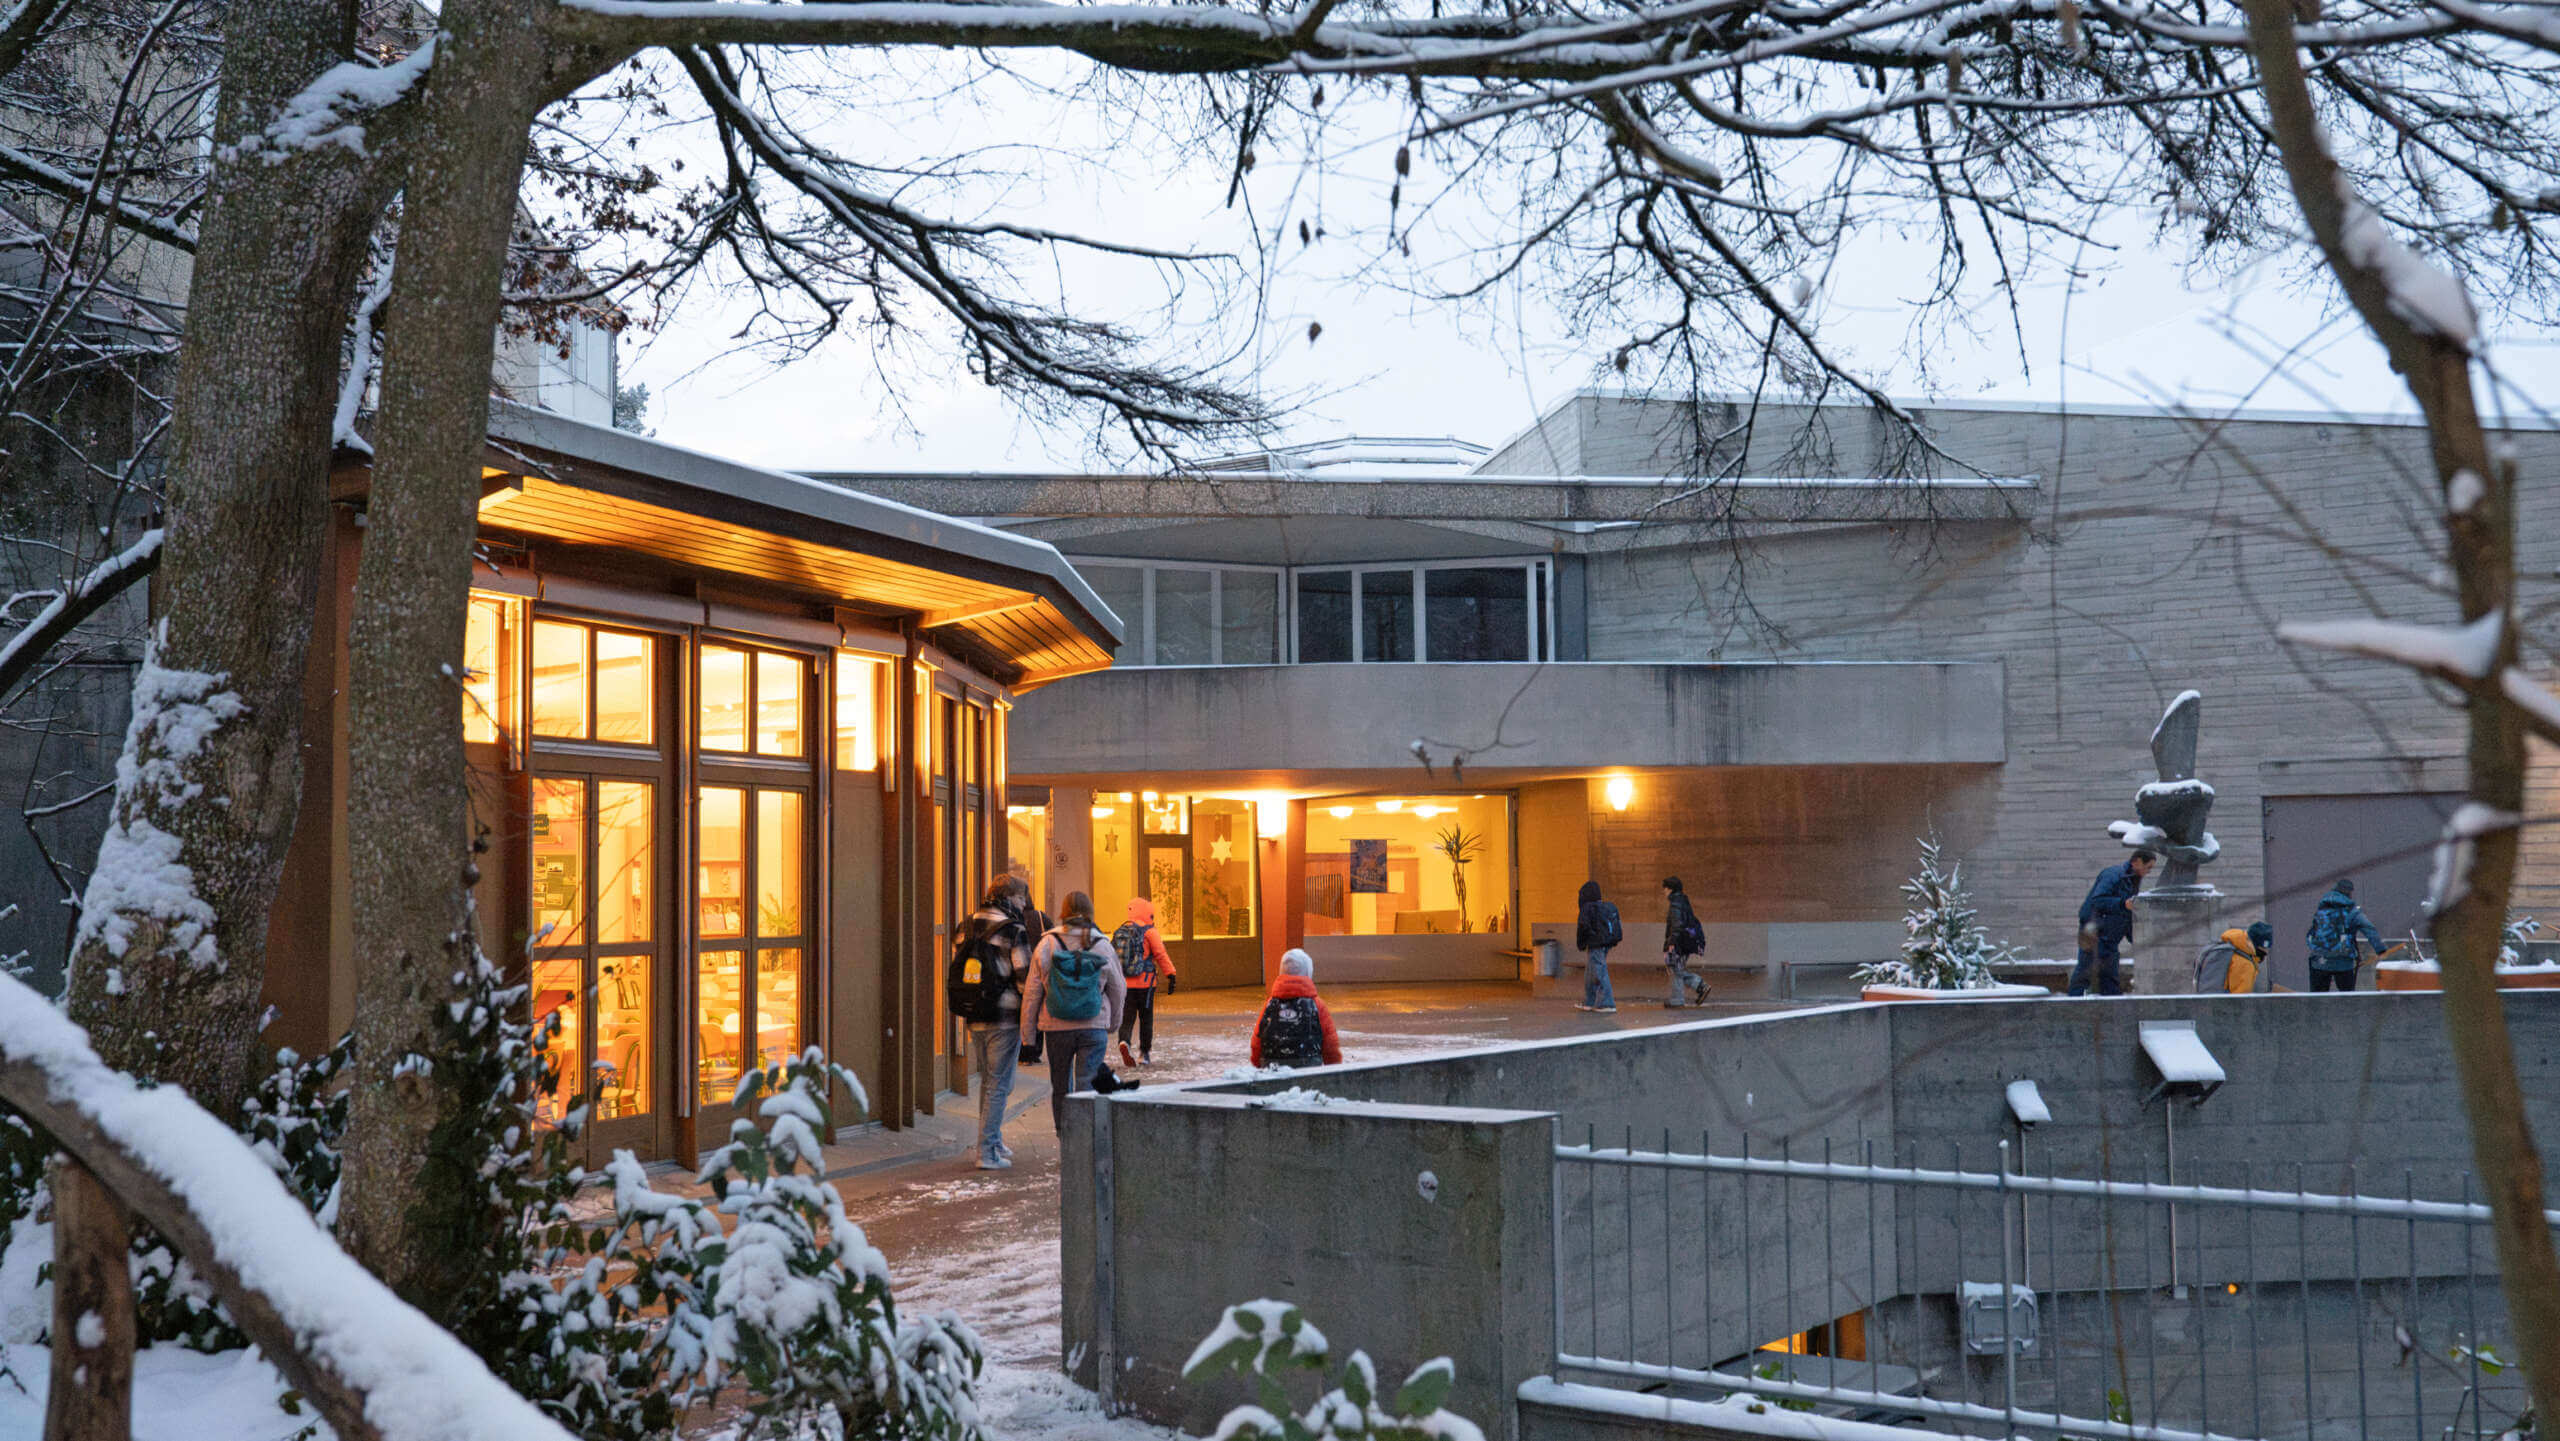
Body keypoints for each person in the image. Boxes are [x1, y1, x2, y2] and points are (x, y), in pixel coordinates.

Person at [1019, 891, 1127, 1130]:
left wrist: (1027, 1035)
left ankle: (1065, 1137)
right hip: (1093, 1025)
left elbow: (1032, 992)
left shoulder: (1048, 943)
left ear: (1063, 912)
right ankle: (1085, 1138)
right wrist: (1113, 1024)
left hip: (1056, 1026)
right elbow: (1118, 988)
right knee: (1087, 1085)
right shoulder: (1102, 945)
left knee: (1060, 1086)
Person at [948, 881, 1032, 1169]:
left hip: (974, 1013)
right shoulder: (1013, 930)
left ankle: (993, 1140)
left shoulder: (965, 926)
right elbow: (1024, 977)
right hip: (1005, 1016)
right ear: (1009, 897)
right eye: (1022, 898)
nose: (1024, 904)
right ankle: (987, 1152)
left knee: (989, 1080)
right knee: (1000, 1083)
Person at [2071, 848, 2155, 996]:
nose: (2149, 872)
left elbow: (2126, 914)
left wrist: (2136, 938)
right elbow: (2098, 900)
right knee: (2086, 972)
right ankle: (2071, 1006)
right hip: (2095, 933)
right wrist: (2123, 904)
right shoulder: (2113, 875)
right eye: (2148, 867)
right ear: (2138, 861)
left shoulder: (2131, 880)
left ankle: (2112, 1011)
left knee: (2109, 977)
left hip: (2109, 936)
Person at [1111, 897, 1178, 1068]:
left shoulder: (1123, 929)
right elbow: (1161, 954)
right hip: (1146, 984)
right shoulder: (1150, 931)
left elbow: (1112, 957)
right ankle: (1144, 1053)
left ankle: (1124, 1041)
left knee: (1127, 1017)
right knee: (1146, 1018)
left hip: (1126, 985)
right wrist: (1170, 974)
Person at [1252, 949, 1342, 1069]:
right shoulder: (1316, 1004)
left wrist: (1258, 1064)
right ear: (1307, 973)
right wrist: (1333, 1068)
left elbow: (1257, 1040)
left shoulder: (1270, 1004)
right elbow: (1330, 1043)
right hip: (1308, 1065)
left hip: (1272, 1065)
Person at [2307, 877, 2388, 992]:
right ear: (2349, 893)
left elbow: (2312, 932)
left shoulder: (2322, 910)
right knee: (2348, 1000)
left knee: (2317, 1001)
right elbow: (2369, 928)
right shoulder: (2352, 911)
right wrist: (2380, 949)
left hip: (2319, 961)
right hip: (2343, 962)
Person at [1573, 880, 1622, 1013]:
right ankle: (1590, 1001)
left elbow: (1583, 927)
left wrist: (1582, 943)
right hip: (1607, 942)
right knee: (1591, 972)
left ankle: (1607, 1003)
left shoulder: (1587, 908)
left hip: (1595, 943)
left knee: (1599, 971)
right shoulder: (1607, 907)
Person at [1661, 877, 1710, 1008]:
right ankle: (1697, 987)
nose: (1663, 891)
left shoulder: (1676, 904)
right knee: (1676, 968)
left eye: (1665, 888)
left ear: (1670, 889)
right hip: (1683, 941)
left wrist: (1671, 943)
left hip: (1679, 943)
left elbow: (1677, 925)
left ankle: (1681, 997)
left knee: (1675, 968)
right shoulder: (1682, 901)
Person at [2197, 920, 2276, 994]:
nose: (2266, 952)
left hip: (2207, 1002)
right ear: (2256, 946)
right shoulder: (2245, 964)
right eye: (2264, 948)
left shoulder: (2229, 949)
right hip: (2224, 1007)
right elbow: (2240, 999)